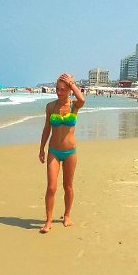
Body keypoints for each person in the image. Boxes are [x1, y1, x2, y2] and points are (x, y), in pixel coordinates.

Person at [39, 73, 85, 233]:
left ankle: (67, 215)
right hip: (54, 151)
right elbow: (46, 129)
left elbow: (82, 99)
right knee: (51, 187)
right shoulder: (50, 107)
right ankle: (48, 220)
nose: (59, 92)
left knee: (68, 186)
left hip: (70, 152)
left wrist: (72, 84)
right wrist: (41, 148)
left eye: (63, 89)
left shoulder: (74, 105)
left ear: (69, 90)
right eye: (57, 89)